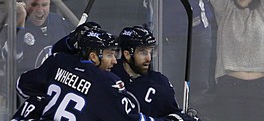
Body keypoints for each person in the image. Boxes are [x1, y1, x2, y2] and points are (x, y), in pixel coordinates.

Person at [12, 24, 167, 121]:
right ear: (93, 57)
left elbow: (21, 86)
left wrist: (70, 40)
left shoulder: (59, 61)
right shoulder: (106, 82)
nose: (114, 61)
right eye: (109, 54)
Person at [112, 25, 199, 120]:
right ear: (127, 55)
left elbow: (174, 115)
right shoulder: (109, 76)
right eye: (143, 52)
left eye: (151, 52)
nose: (149, 58)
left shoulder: (159, 83)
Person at [1, 0, 72, 77]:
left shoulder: (58, 21)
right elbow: (11, 58)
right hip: (27, 89)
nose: (40, 10)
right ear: (23, 3)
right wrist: (21, 19)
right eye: (34, 4)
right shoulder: (13, 25)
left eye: (44, 5)